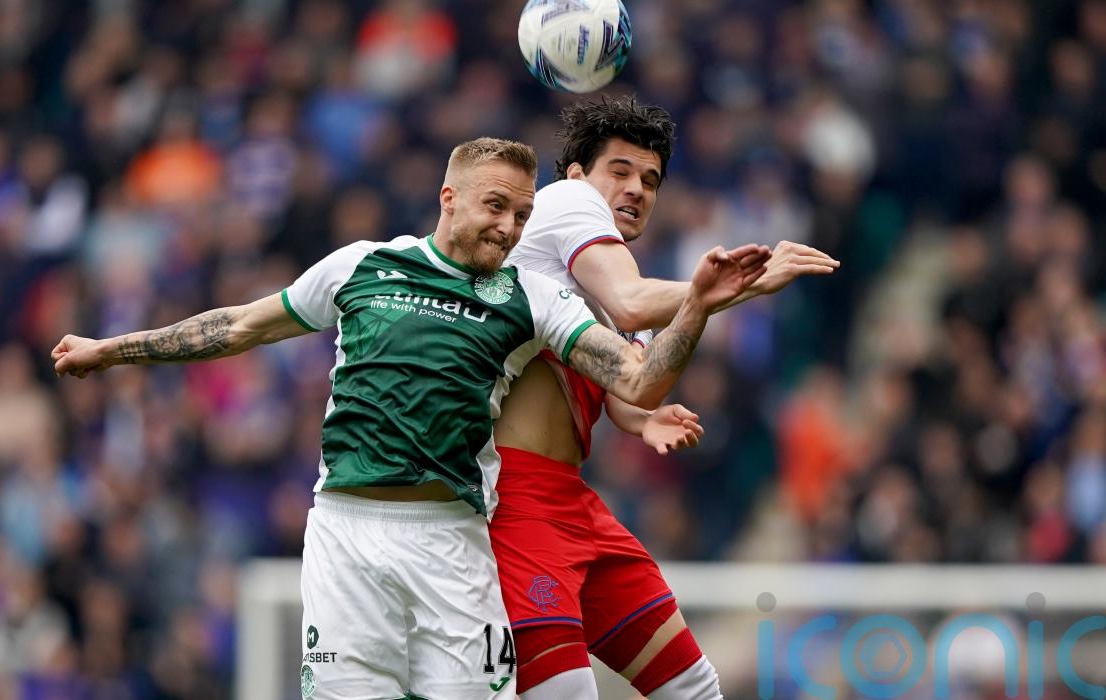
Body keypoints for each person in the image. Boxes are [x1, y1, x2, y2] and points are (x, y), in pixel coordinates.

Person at [51, 137, 769, 699]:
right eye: (495, 206)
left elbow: (639, 379)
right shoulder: (363, 265)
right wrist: (111, 350)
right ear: (448, 198)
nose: (508, 227)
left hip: (453, 544)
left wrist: (698, 305)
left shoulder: (530, 297)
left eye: (522, 216)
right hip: (346, 536)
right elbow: (239, 325)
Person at [491, 97, 840, 698]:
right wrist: (746, 285)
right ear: (576, 174)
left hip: (573, 502)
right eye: (620, 171)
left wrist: (644, 420)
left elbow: (632, 388)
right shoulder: (566, 203)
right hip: (514, 499)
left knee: (693, 688)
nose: (636, 189)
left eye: (650, 180)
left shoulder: (618, 277)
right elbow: (633, 304)